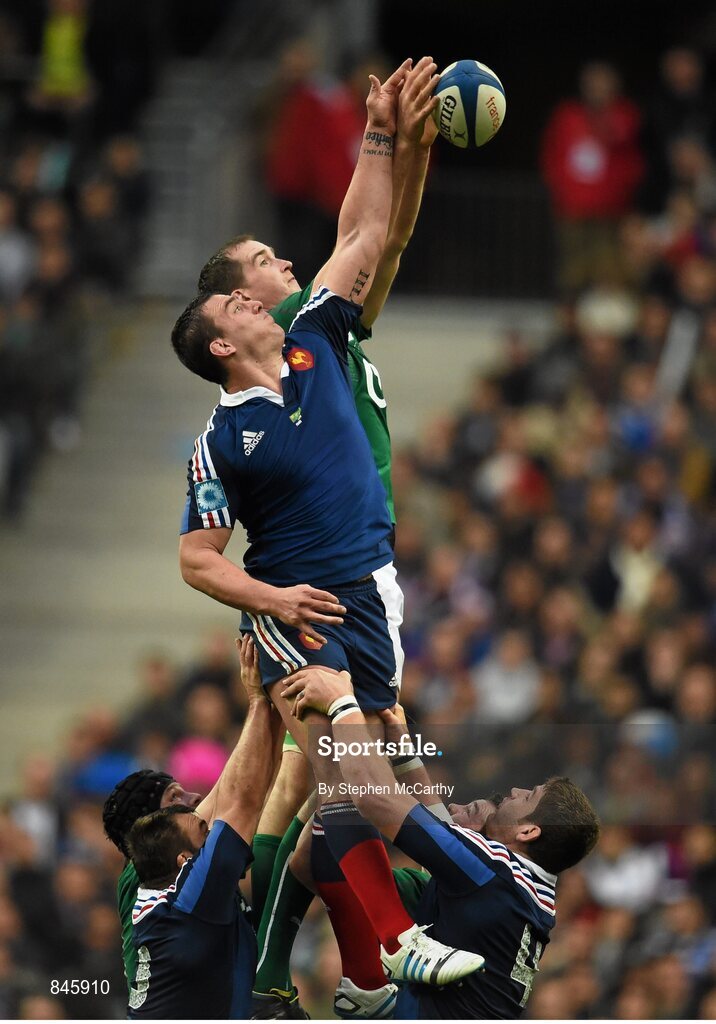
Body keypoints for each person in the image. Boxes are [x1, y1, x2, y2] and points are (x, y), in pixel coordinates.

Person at [172, 55, 485, 1009]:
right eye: (239, 298)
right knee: (347, 757)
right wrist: (269, 602)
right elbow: (195, 559)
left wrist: (386, 133)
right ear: (225, 341)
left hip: (369, 591)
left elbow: (365, 233)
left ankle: (361, 975)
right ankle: (401, 936)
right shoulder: (222, 438)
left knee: (359, 780)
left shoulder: (318, 339)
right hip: (299, 613)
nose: (259, 293)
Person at [283, 667, 601, 1019]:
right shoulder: (529, 888)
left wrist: (342, 703)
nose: (516, 791)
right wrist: (403, 751)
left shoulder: (495, 869)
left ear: (529, 832)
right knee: (329, 844)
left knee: (344, 801)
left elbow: (374, 798)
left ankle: (325, 982)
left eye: (529, 797)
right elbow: (444, 831)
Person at [125, 636, 284, 1019]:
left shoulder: (165, 882)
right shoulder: (188, 901)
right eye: (203, 830)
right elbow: (243, 801)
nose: (210, 825)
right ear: (184, 860)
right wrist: (259, 700)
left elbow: (237, 794)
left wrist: (272, 701)